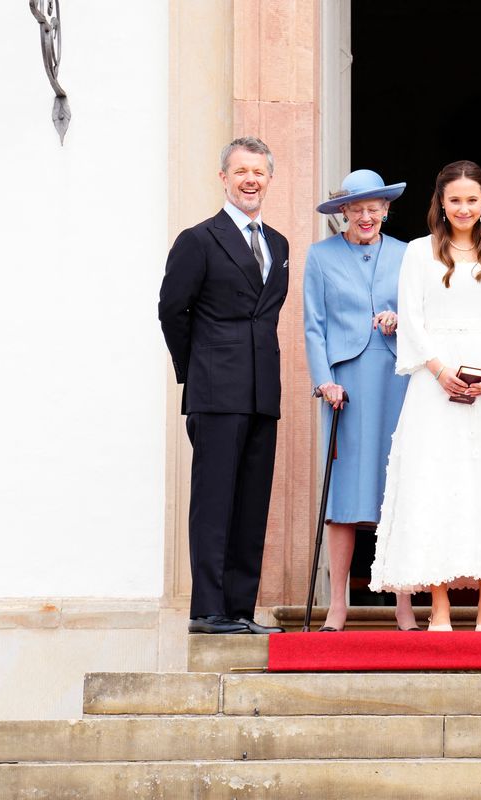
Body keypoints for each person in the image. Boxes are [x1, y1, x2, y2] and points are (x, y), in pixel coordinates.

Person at [369, 160, 481, 632]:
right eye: (455, 200)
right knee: (437, 487)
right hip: (434, 387)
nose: (464, 208)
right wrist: (439, 369)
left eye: (472, 200)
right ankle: (441, 607)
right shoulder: (417, 252)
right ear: (441, 203)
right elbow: (411, 319)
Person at [158, 136, 288, 635]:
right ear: (224, 178)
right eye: (241, 172)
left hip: (261, 394)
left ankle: (238, 609)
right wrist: (198, 370)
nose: (250, 180)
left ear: (268, 179)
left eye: (259, 172)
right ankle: (206, 610)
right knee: (213, 502)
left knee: (251, 504)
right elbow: (173, 311)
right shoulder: (198, 239)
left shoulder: (278, 244)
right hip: (216, 391)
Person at [304, 169, 419, 632]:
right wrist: (323, 380)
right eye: (358, 209)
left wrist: (401, 320)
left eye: (375, 208)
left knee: (399, 490)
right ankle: (337, 605)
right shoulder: (320, 256)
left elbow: (424, 316)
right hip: (345, 386)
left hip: (398, 380)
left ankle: (405, 605)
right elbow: (313, 325)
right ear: (343, 213)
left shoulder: (409, 254)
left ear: (386, 210)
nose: (367, 216)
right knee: (345, 494)